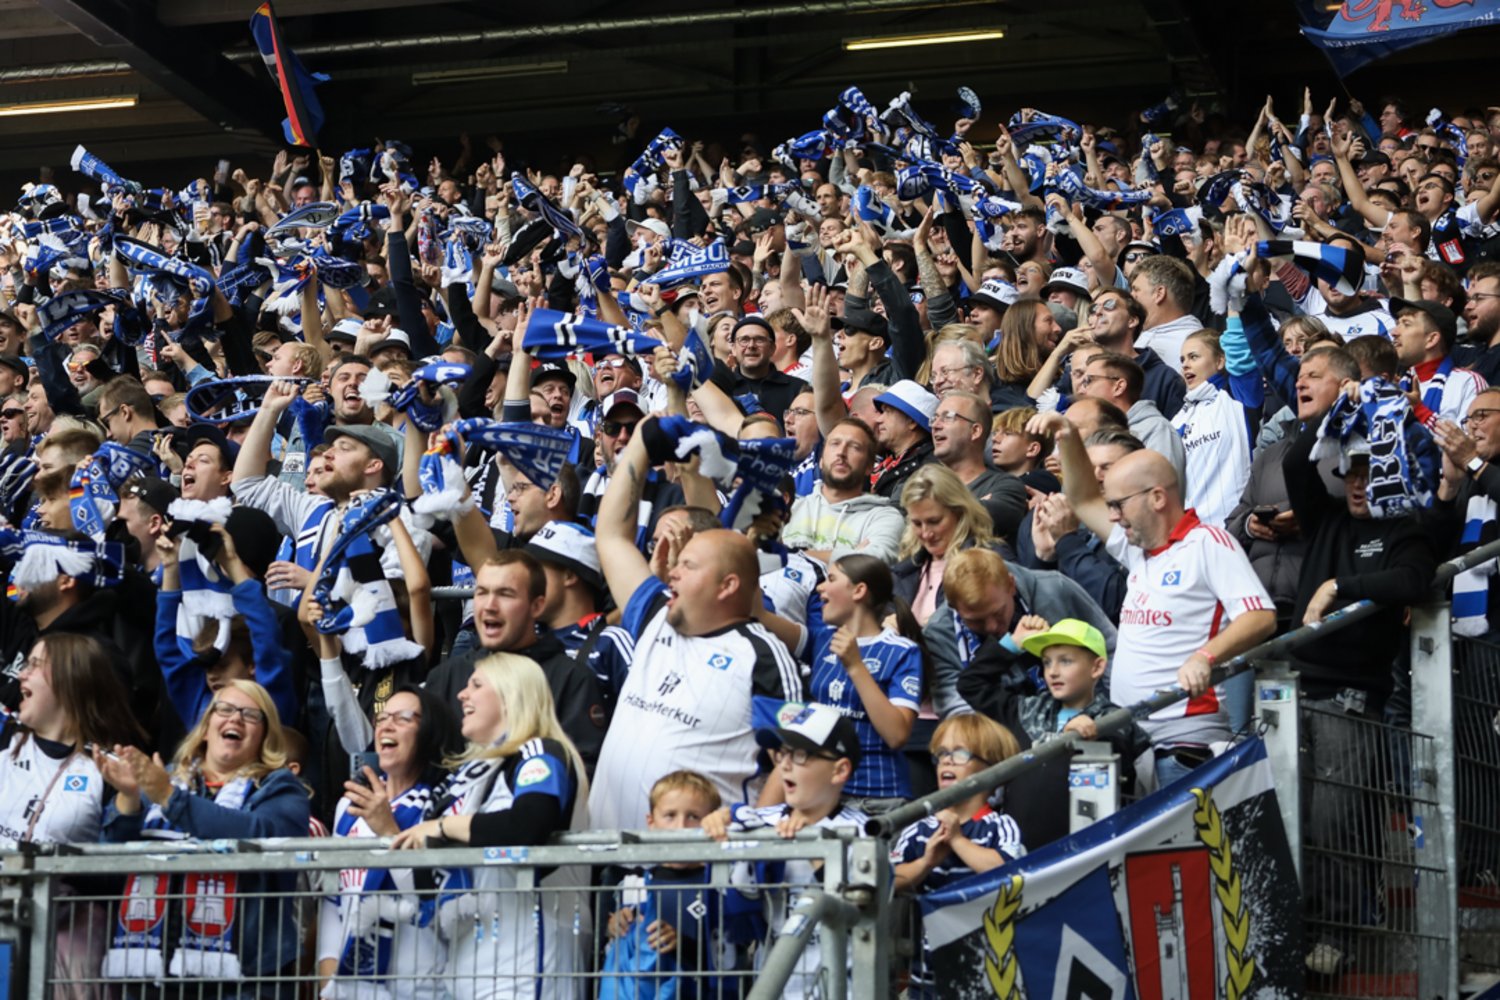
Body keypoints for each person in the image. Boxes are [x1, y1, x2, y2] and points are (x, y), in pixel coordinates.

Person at [1035, 409, 1276, 784]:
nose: (1112, 516)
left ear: (1157, 497)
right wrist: (1066, 435)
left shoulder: (1208, 544)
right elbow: (1082, 499)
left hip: (1185, 745)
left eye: (1119, 504)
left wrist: (1205, 657)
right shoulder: (1139, 550)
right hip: (1136, 738)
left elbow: (1260, 615)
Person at [589, 417, 802, 831]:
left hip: (701, 876)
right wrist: (642, 442)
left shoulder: (763, 655)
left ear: (728, 585)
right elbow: (611, 537)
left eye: (687, 564)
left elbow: (795, 756)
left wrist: (748, 826)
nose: (672, 571)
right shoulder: (656, 614)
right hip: (609, 865)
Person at [390, 654, 589, 1000]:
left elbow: (528, 825)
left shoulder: (541, 752)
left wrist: (445, 827)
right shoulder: (474, 773)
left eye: (476, 685)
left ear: (511, 695)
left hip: (527, 960)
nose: (461, 696)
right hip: (471, 961)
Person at [95, 680, 311, 996]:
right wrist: (128, 797)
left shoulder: (280, 787)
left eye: (250, 715)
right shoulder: (165, 779)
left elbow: (262, 837)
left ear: (265, 735)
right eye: (224, 709)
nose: (235, 719)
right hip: (154, 973)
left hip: (245, 979)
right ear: (206, 727)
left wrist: (170, 799)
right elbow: (110, 862)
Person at [1, 634, 147, 989]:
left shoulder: (108, 771)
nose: (21, 675)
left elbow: (115, 878)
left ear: (72, 679)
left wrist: (129, 799)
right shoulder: (4, 744)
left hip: (63, 945)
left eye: (35, 665)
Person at [701, 703, 867, 1000]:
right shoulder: (759, 821)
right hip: (774, 988)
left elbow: (867, 908)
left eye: (801, 755)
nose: (786, 765)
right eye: (783, 753)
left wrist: (813, 846)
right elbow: (737, 899)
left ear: (840, 770)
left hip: (842, 991)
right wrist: (718, 827)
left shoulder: (862, 831)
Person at [317, 686, 462, 999]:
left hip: (421, 987)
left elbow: (438, 903)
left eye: (404, 718)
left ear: (430, 732)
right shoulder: (350, 805)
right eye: (382, 718)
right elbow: (333, 898)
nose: (386, 725)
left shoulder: (444, 807)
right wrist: (328, 976)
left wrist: (388, 831)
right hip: (350, 988)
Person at [890, 713, 1025, 998]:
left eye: (960, 753)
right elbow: (892, 880)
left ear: (992, 770)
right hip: (927, 976)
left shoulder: (999, 826)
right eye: (941, 754)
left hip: (985, 973)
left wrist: (957, 840)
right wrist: (926, 863)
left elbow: (1006, 872)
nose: (947, 761)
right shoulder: (918, 829)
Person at [795, 555, 923, 802]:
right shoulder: (822, 638)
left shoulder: (902, 651)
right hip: (824, 793)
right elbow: (761, 618)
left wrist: (856, 666)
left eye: (831, 578)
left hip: (878, 797)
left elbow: (896, 735)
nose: (820, 587)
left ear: (859, 590)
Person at [600, 770, 727, 998]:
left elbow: (728, 962)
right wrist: (613, 927)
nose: (681, 826)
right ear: (651, 822)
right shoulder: (632, 884)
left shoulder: (719, 886)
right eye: (670, 815)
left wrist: (681, 945)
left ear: (711, 820)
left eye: (694, 816)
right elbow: (611, 951)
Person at [780, 417, 905, 564]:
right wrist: (852, 555)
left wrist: (788, 555)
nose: (841, 452)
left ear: (870, 466)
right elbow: (759, 557)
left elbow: (873, 561)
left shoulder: (883, 517)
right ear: (820, 460)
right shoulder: (790, 509)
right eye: (835, 444)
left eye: (855, 447)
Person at [892, 463, 1004, 625]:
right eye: (917, 523)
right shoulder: (905, 567)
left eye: (934, 521)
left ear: (959, 513)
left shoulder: (991, 558)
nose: (926, 533)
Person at [1173, 330, 1254, 527]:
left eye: (1194, 357)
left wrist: (1233, 301)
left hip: (1235, 529)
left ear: (1220, 361)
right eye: (1182, 359)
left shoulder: (1237, 396)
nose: (1185, 364)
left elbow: (1238, 346)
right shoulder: (1176, 419)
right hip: (1190, 537)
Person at [930, 391, 1027, 540]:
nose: (935, 425)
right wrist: (976, 505)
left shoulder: (1006, 486)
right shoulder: (922, 482)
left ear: (975, 431)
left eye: (947, 417)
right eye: (935, 418)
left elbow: (990, 519)